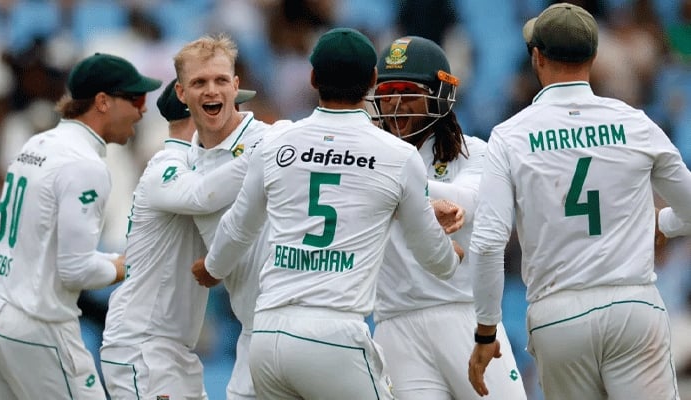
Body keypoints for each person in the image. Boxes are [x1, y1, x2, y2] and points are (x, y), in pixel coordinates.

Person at [191, 27, 463, 400]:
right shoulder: (397, 155)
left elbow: (238, 227)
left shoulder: (275, 144)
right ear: (371, 80)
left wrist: (212, 268)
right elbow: (433, 258)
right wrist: (450, 258)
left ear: (313, 78)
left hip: (268, 335)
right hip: (334, 335)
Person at [466, 3, 691, 399]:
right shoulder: (634, 122)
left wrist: (486, 330)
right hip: (632, 304)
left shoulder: (510, 135)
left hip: (557, 315)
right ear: (593, 56)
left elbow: (486, 244)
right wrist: (663, 223)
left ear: (537, 57)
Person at [0, 52, 161, 399]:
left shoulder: (37, 144)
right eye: (135, 98)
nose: (143, 110)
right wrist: (123, 266)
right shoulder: (85, 165)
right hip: (38, 323)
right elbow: (75, 270)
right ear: (102, 102)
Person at [367, 35, 527, 399]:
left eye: (407, 91)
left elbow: (468, 203)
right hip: (395, 325)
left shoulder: (474, 153)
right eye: (387, 91)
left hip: (462, 313)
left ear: (439, 94)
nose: (394, 103)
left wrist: (392, 184)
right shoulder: (368, 160)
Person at [99, 78, 257, 399]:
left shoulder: (202, 165)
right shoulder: (167, 166)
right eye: (227, 108)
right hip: (142, 345)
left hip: (174, 348)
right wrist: (264, 154)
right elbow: (202, 195)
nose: (239, 117)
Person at [174, 34, 276, 400]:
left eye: (220, 81)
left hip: (301, 320)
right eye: (198, 82)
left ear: (236, 86)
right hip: (252, 334)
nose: (211, 91)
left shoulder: (276, 141)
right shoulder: (182, 167)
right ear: (181, 93)